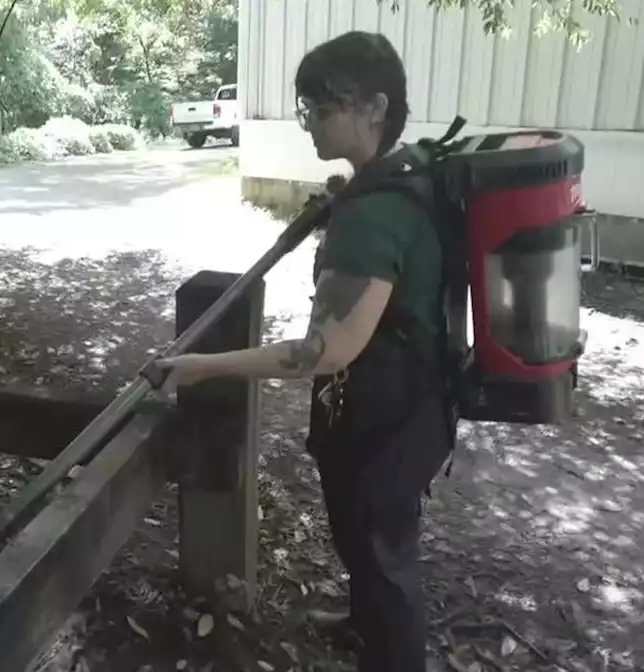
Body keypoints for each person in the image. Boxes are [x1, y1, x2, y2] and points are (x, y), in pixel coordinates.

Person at [154, 30, 454, 672]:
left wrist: (201, 366)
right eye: (305, 107)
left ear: (375, 109)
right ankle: (363, 623)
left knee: (383, 554)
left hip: (391, 416)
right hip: (399, 401)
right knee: (361, 532)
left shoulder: (373, 218)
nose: (309, 122)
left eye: (323, 108)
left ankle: (394, 653)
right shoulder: (391, 180)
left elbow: (323, 352)